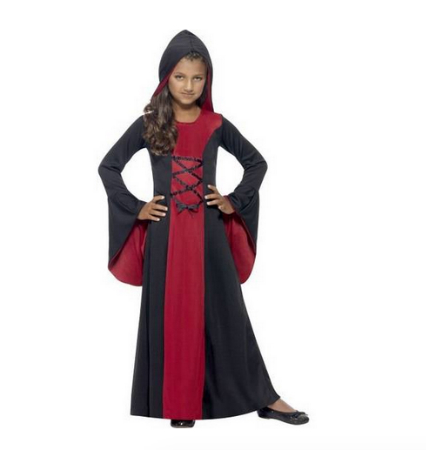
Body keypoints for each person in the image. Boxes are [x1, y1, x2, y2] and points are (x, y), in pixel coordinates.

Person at [98, 30, 309, 427]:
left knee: (228, 316)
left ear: (207, 79)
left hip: (210, 237)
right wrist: (137, 208)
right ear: (166, 77)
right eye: (180, 77)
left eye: (198, 78)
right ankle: (180, 404)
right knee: (173, 317)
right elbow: (108, 167)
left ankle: (265, 397)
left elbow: (257, 163)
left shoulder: (216, 123)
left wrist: (233, 201)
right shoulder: (149, 124)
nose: (189, 86)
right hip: (165, 238)